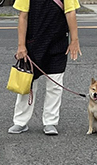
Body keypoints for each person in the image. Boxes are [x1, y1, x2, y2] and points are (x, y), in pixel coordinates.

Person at [8, 0, 82, 135]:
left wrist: (74, 40)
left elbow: (71, 12)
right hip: (33, 44)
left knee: (55, 85)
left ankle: (50, 122)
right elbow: (23, 16)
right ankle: (20, 122)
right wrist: (21, 45)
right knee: (27, 84)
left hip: (58, 44)